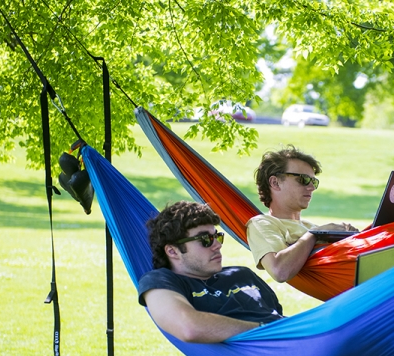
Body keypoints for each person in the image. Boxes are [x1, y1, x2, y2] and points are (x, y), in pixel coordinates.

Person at [138, 201, 284, 343]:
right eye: (205, 239)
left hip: (292, 338)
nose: (218, 245)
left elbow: (277, 314)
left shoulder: (243, 274)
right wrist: (265, 330)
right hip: (278, 341)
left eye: (217, 236)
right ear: (172, 251)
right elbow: (188, 327)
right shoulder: (159, 281)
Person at [246, 145, 358, 282]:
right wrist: (315, 233)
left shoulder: (310, 226)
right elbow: (279, 270)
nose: (311, 188)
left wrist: (349, 236)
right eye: (303, 180)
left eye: (313, 182)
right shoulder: (261, 224)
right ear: (275, 183)